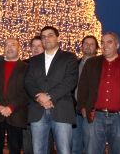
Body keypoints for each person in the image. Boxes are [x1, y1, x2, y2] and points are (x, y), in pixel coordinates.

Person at [77, 32, 120, 154]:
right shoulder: (92, 63)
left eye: (109, 42)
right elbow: (82, 87)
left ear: (117, 45)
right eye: (102, 42)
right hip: (95, 117)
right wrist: (83, 108)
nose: (105, 45)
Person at [24, 26, 78, 154]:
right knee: (38, 150)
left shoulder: (69, 57)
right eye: (43, 36)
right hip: (38, 110)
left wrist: (48, 96)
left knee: (64, 150)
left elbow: (70, 81)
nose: (46, 38)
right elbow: (28, 81)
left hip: (61, 110)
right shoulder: (34, 60)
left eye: (50, 35)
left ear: (57, 38)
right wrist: (39, 98)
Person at [0, 38, 30, 154]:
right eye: (6, 45)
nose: (9, 48)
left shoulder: (26, 67)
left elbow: (27, 91)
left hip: (16, 114)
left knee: (15, 148)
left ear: (18, 48)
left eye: (13, 45)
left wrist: (11, 107)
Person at [22, 36, 54, 154]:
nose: (36, 49)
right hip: (27, 112)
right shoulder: (24, 64)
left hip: (45, 111)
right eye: (33, 46)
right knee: (28, 147)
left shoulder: (51, 65)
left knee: (45, 147)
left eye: (39, 46)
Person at [72, 35, 99, 154]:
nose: (88, 46)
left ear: (96, 48)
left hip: (93, 113)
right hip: (75, 112)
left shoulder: (100, 66)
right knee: (75, 147)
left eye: (91, 44)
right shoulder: (74, 65)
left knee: (92, 147)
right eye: (86, 44)